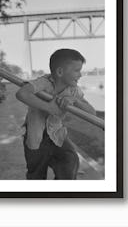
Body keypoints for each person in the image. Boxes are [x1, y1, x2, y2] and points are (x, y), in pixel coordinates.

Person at [16, 49, 96, 180]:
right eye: (77, 70)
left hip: (57, 135)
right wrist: (49, 107)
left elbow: (92, 113)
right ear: (59, 72)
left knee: (70, 162)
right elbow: (22, 93)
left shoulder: (73, 90)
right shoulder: (44, 82)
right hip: (36, 138)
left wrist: (76, 101)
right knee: (36, 173)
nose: (80, 75)